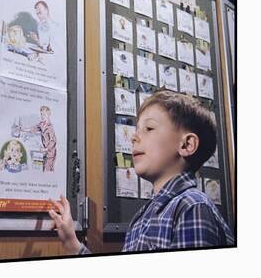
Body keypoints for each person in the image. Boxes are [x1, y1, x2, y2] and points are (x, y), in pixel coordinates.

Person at [48, 90, 235, 254]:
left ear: (187, 145)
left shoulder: (192, 207)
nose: (134, 136)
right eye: (137, 129)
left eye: (149, 128)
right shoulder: (143, 216)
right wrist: (73, 244)